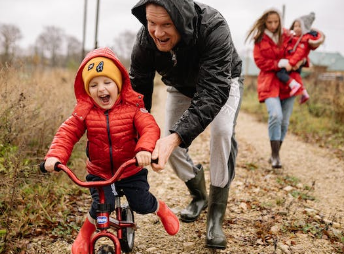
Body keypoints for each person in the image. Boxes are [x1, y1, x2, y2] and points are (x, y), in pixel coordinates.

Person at [130, 0, 243, 250]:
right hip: (180, 86)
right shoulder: (145, 41)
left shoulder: (214, 27)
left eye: (166, 24)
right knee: (170, 144)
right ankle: (199, 195)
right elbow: (138, 92)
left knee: (221, 133)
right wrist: (137, 137)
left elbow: (213, 91)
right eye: (151, 23)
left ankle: (215, 215)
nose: (158, 33)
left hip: (222, 82)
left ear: (181, 20)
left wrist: (175, 137)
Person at [43, 47, 180, 254]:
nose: (101, 89)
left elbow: (150, 128)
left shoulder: (132, 108)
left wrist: (143, 150)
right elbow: (67, 133)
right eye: (94, 85)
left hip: (130, 169)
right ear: (88, 90)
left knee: (141, 203)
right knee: (101, 206)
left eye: (107, 82)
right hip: (100, 171)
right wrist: (55, 156)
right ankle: (84, 235)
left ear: (118, 84)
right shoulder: (85, 112)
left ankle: (161, 209)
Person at [246, 8, 324, 169]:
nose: (273, 25)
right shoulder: (259, 39)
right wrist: (278, 64)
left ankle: (276, 154)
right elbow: (260, 62)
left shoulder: (287, 34)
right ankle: (275, 156)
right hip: (269, 82)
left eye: (276, 22)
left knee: (284, 121)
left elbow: (303, 45)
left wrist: (303, 60)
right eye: (270, 22)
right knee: (275, 115)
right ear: (264, 22)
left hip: (289, 82)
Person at [276, 12, 324, 104]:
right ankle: (304, 93)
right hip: (293, 62)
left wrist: (291, 63)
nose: (296, 28)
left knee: (280, 73)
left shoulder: (303, 40)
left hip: (293, 62)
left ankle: (293, 85)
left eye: (299, 26)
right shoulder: (294, 38)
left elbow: (299, 53)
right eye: (295, 26)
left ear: (305, 28)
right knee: (296, 77)